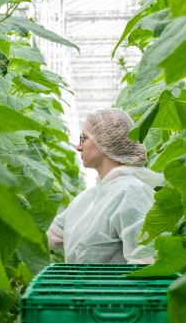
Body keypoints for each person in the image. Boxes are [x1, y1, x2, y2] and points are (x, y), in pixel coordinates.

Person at [46, 108, 163, 264]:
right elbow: (46, 238)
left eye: (84, 138)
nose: (79, 147)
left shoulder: (130, 192)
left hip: (114, 289)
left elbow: (145, 260)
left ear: (105, 141)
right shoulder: (87, 199)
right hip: (82, 288)